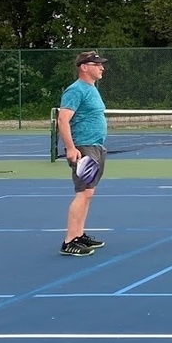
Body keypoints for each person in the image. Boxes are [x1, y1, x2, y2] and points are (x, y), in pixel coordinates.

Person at [57, 51, 110, 256]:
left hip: (96, 147)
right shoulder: (75, 90)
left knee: (89, 192)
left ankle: (79, 235)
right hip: (84, 147)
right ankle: (69, 241)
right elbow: (63, 119)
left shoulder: (91, 89)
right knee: (83, 192)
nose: (101, 68)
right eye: (97, 65)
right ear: (84, 67)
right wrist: (71, 148)